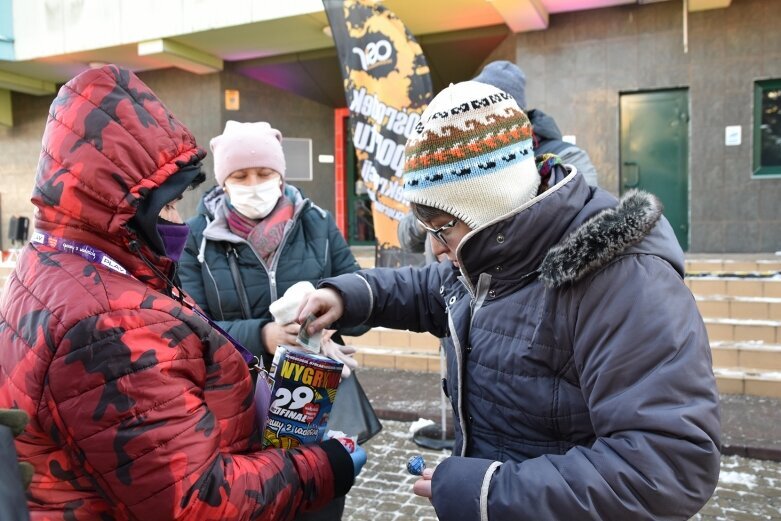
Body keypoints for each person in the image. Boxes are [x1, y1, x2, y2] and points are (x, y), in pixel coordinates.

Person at [298, 81, 721, 520]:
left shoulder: (624, 281)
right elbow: (430, 290)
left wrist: (487, 493)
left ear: (491, 207)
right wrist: (347, 295)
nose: (438, 249)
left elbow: (667, 468)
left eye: (444, 226)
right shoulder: (494, 260)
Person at [0, 65, 362, 520]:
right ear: (123, 205)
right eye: (167, 204)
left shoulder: (62, 262)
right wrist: (321, 467)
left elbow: (181, 346)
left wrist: (336, 311)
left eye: (264, 173)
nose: (175, 218)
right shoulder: (109, 322)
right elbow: (194, 500)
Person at [178, 120, 372, 521]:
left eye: (264, 173)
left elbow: (361, 299)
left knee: (317, 501)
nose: (253, 184)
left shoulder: (317, 224)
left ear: (281, 175)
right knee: (251, 502)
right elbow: (189, 327)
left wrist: (333, 317)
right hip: (236, 408)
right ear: (223, 180)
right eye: (240, 175)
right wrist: (262, 335)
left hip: (313, 403)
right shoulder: (195, 239)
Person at [398, 59, 599, 260]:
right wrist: (435, 219)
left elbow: (575, 224)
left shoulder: (568, 160)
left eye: (486, 120)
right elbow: (406, 238)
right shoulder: (456, 166)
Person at [473, 59, 599, 187]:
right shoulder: (472, 157)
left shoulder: (568, 156)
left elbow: (583, 199)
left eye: (485, 114)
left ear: (515, 114)